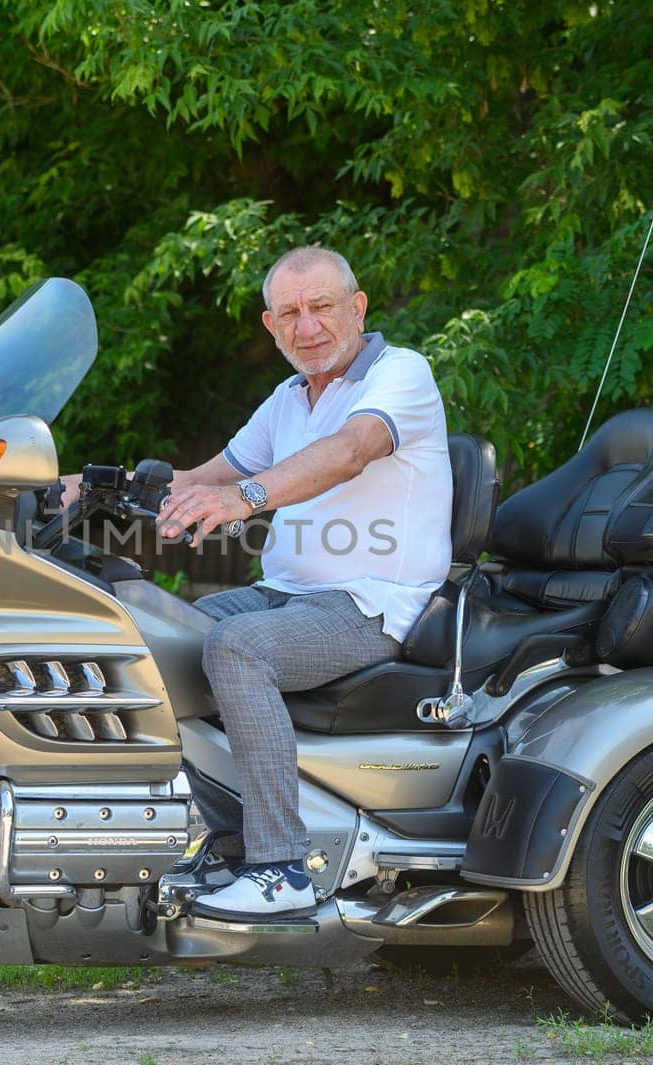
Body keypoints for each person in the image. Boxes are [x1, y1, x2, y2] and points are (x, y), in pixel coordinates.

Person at [152, 245, 453, 920]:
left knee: (237, 645)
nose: (307, 325)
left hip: (370, 606)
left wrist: (249, 497)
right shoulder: (290, 398)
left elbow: (350, 451)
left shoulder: (399, 373)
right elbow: (202, 479)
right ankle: (227, 840)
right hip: (285, 595)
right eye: (290, 312)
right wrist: (68, 488)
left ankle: (280, 867)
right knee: (151, 629)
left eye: (321, 306)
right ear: (270, 324)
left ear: (358, 306)